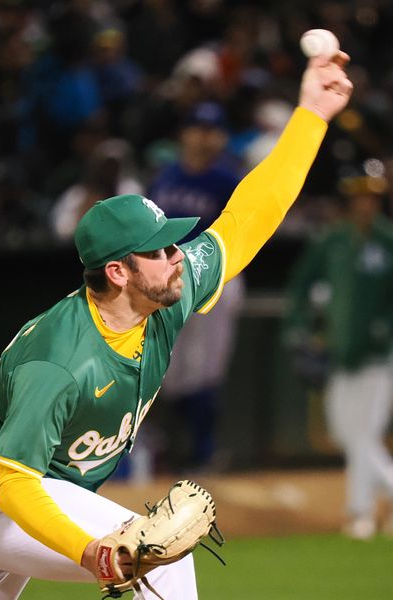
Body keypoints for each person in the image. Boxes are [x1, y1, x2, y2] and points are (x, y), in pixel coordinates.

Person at [0, 50, 353, 600]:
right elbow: (16, 486)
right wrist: (91, 551)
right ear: (118, 271)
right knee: (157, 560)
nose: (175, 256)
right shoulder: (61, 359)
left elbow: (245, 221)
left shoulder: (163, 296)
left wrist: (311, 114)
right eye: (158, 249)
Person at [282, 159, 393, 540]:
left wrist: (386, 328)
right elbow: (301, 284)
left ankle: (359, 514)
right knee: (343, 432)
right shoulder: (334, 240)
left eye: (371, 196)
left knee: (364, 433)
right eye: (359, 196)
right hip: (341, 353)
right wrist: (298, 328)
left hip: (379, 357)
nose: (365, 203)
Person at [146, 101, 244, 471]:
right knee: (168, 372)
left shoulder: (227, 181)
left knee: (206, 370)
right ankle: (173, 447)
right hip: (165, 278)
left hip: (215, 277)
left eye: (212, 130)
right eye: (197, 129)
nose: (204, 138)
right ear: (184, 134)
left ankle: (204, 452)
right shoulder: (165, 177)